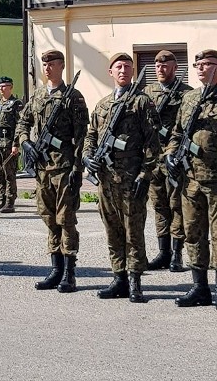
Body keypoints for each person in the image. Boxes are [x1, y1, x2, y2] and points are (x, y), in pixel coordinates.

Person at [83, 52, 160, 303]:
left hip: (131, 179)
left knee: (133, 231)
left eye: (128, 66)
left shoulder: (141, 102)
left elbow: (152, 144)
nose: (124, 70)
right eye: (119, 66)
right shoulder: (103, 104)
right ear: (111, 72)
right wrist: (87, 156)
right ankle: (119, 278)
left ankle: (136, 280)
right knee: (112, 230)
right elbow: (91, 135)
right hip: (106, 179)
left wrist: (144, 175)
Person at [16, 50, 89, 293]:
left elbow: (81, 138)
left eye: (52, 64)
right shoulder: (37, 96)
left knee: (66, 219)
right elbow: (22, 122)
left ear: (61, 66)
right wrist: (26, 142)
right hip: (42, 168)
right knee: (48, 218)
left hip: (64, 167)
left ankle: (69, 273)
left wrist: (77, 169)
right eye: (44, 64)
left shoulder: (73, 97)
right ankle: (55, 269)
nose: (47, 68)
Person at [166, 49, 217, 307]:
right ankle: (200, 288)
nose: (201, 68)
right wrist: (170, 156)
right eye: (198, 64)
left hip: (216, 179)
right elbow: (176, 133)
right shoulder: (189, 98)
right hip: (190, 179)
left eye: (207, 63)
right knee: (193, 233)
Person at [143, 51, 193, 271]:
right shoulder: (147, 92)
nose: (160, 68)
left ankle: (177, 254)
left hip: (175, 159)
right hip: (153, 159)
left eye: (165, 65)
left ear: (174, 66)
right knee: (159, 205)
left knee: (177, 205)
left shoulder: (186, 93)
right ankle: (163, 252)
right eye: (156, 65)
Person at [0, 76, 23, 213]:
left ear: (11, 87)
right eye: (0, 87)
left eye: (4, 86)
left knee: (9, 173)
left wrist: (16, 144)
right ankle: (1, 200)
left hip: (8, 143)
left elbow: (20, 125)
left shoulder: (16, 104)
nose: (1, 89)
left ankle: (10, 202)